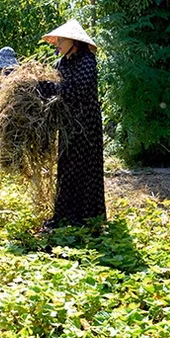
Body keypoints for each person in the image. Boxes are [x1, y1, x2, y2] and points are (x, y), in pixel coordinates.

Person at [38, 20, 106, 228]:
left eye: (61, 39)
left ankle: (86, 218)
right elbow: (54, 89)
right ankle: (64, 215)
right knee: (66, 168)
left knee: (85, 168)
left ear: (74, 41)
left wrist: (49, 88)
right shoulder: (61, 63)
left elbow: (77, 92)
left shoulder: (87, 61)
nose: (56, 43)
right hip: (67, 124)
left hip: (86, 123)